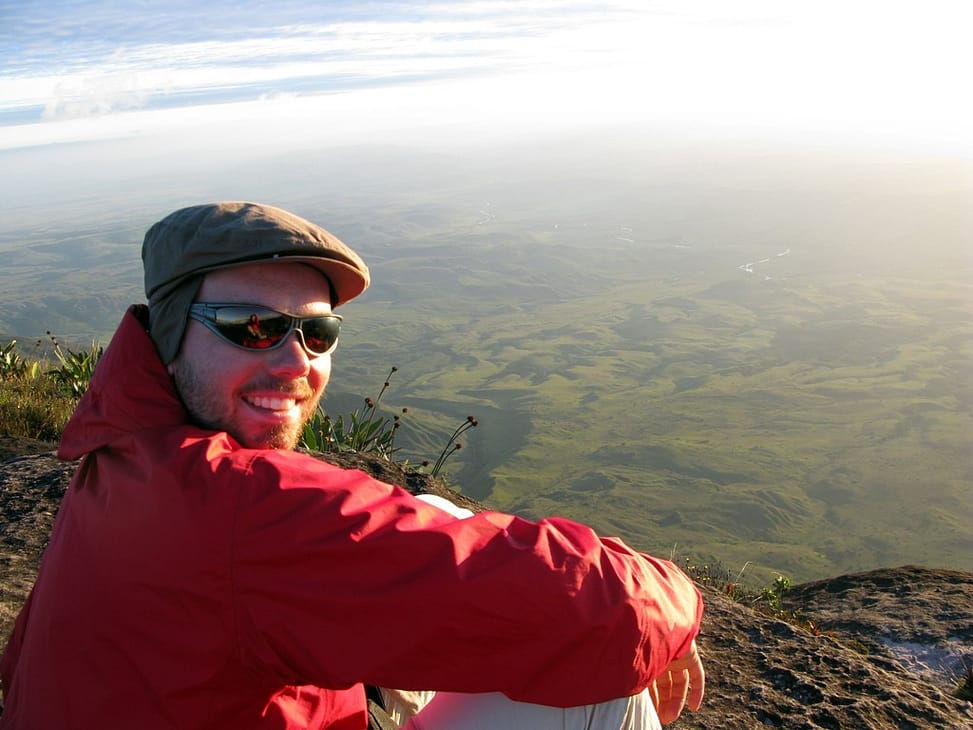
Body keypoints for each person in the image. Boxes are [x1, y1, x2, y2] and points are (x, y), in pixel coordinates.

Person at [0, 202, 705, 729]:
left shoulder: (120, 460)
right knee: (602, 689)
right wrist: (679, 608)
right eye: (251, 327)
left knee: (440, 524)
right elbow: (612, 611)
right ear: (168, 334)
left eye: (317, 331)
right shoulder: (245, 505)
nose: (294, 360)